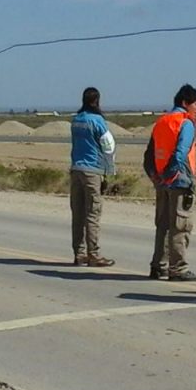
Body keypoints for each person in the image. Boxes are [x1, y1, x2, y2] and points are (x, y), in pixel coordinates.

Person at [143, 84, 196, 281]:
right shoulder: (185, 123)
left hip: (162, 182)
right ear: (185, 103)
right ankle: (178, 268)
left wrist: (156, 178)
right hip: (179, 181)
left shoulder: (161, 121)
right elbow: (181, 152)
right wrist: (171, 174)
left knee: (163, 226)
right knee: (180, 226)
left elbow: (149, 155)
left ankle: (158, 266)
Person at [70, 87, 116, 267]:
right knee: (92, 214)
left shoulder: (76, 120)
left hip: (76, 170)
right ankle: (94, 254)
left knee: (78, 214)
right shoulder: (98, 121)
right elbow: (108, 146)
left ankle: (79, 253)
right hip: (92, 170)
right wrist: (109, 170)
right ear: (96, 101)